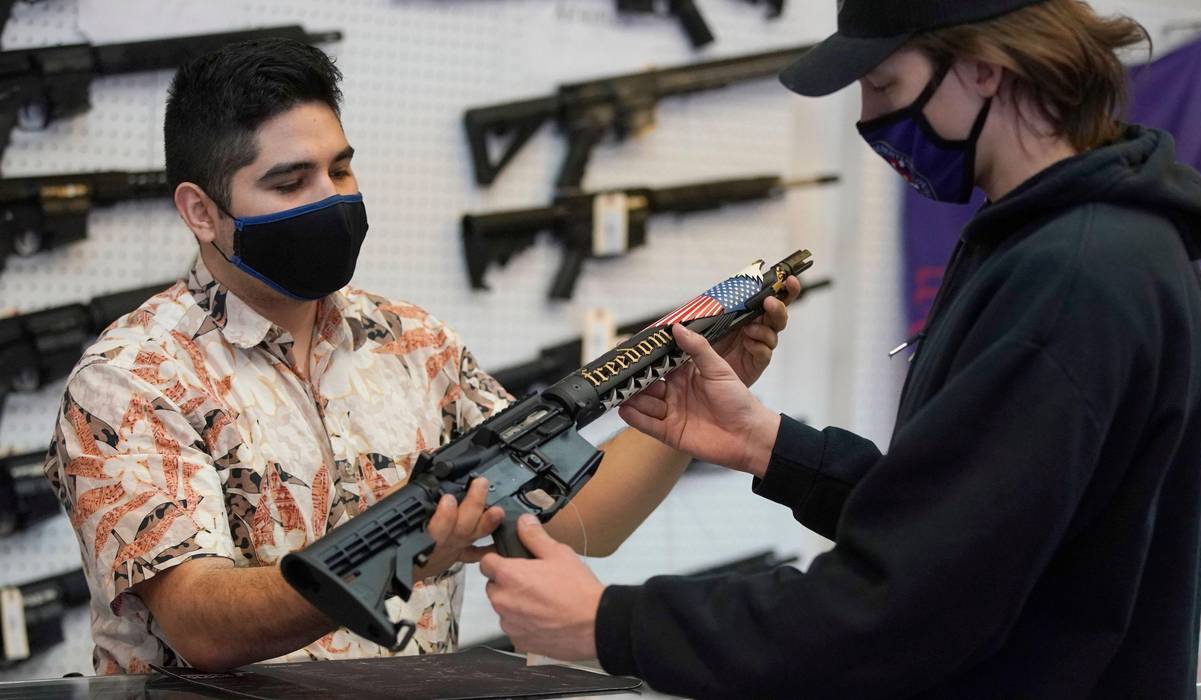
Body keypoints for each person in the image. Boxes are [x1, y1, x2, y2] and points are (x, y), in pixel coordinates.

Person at [480, 1, 1201, 697]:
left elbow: (912, 603)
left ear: (984, 68)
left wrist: (609, 624)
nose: (869, 117)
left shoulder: (1071, 275)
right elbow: (969, 527)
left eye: (882, 83)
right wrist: (771, 446)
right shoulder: (1066, 244)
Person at [41, 38, 794, 675]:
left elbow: (571, 524)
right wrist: (405, 547)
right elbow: (201, 623)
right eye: (288, 181)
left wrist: (679, 405)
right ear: (200, 211)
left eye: (339, 169)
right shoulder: (131, 380)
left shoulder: (414, 343)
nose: (330, 198)